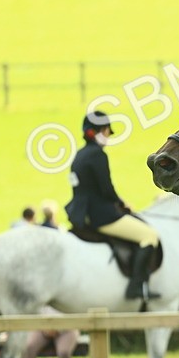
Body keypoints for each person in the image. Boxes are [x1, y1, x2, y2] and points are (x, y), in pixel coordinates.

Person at [65, 110, 162, 300]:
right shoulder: (98, 155)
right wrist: (121, 203)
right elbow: (106, 189)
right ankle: (135, 286)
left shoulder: (79, 155)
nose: (109, 136)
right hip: (101, 216)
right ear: (99, 131)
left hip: (81, 214)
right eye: (108, 131)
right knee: (149, 236)